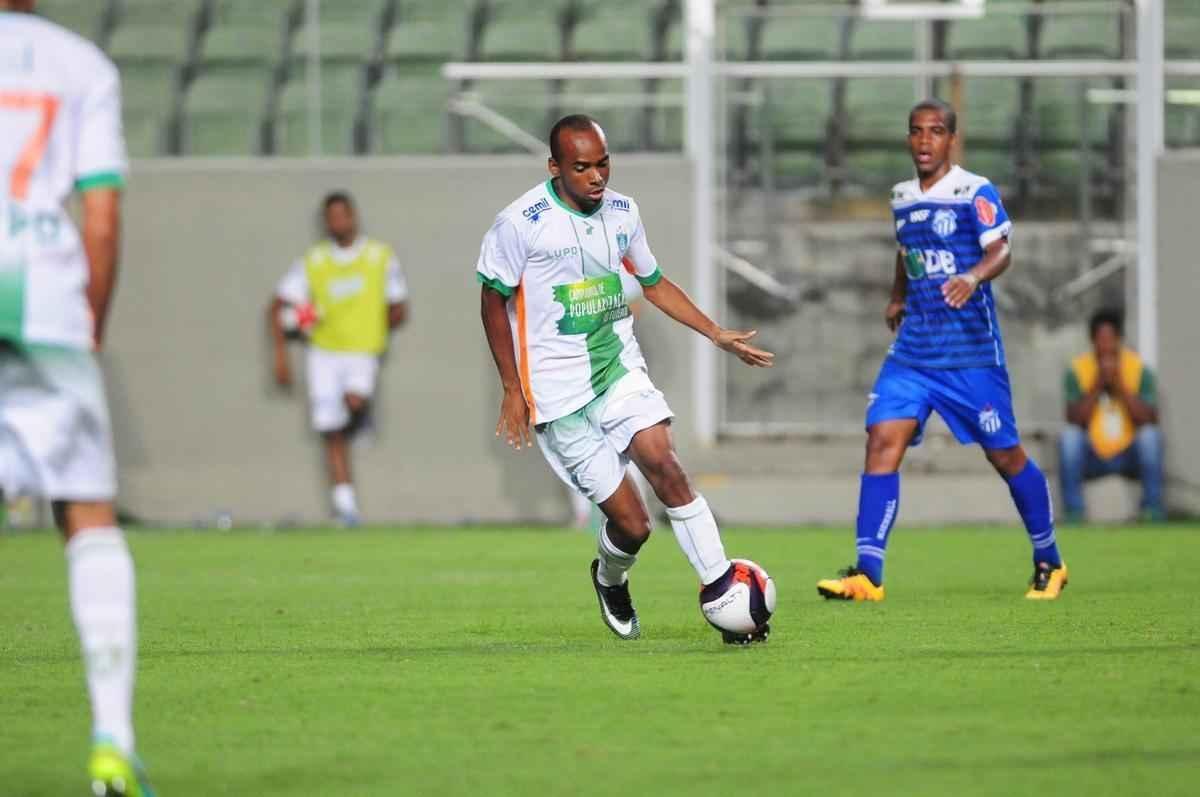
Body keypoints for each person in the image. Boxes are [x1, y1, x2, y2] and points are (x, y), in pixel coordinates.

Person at [476, 114, 775, 643]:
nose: (597, 176)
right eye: (582, 167)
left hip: (618, 368)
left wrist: (714, 332)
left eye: (603, 163)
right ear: (556, 167)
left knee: (666, 465)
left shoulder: (623, 212)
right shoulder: (521, 221)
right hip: (557, 394)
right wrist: (511, 388)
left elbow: (653, 283)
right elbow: (492, 300)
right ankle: (609, 579)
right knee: (633, 526)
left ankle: (721, 588)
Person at [816, 98, 1068, 602]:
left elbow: (1001, 250)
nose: (925, 140)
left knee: (1006, 456)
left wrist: (973, 277)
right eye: (916, 131)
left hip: (971, 355)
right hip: (914, 353)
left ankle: (1049, 559)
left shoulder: (976, 191)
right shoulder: (902, 197)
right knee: (881, 441)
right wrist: (897, 295)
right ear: (909, 138)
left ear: (951, 139)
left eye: (935, 131)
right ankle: (869, 574)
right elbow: (905, 250)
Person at [0, 2, 154, 793]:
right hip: (42, 301)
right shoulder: (81, 64)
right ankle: (111, 743)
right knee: (86, 511)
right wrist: (89, 319)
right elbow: (101, 213)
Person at [268, 192, 409, 526]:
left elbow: (398, 307)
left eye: (341, 216)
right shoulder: (314, 261)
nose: (337, 223)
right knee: (330, 430)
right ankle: (345, 506)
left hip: (362, 351)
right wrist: (282, 353)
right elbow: (278, 307)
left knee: (354, 401)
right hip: (324, 353)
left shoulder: (379, 257)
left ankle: (361, 416)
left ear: (353, 217)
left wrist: (373, 329)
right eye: (330, 217)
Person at [1060, 308, 1164, 522]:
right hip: (1093, 455)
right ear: (1092, 341)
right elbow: (1074, 419)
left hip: (1128, 453)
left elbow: (1149, 418)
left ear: (1119, 340)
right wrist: (1098, 384)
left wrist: (1119, 384)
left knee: (1151, 437)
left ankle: (1152, 508)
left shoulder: (1138, 368)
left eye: (1111, 339)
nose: (1106, 345)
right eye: (1100, 340)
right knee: (1069, 437)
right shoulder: (1078, 369)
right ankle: (1074, 510)